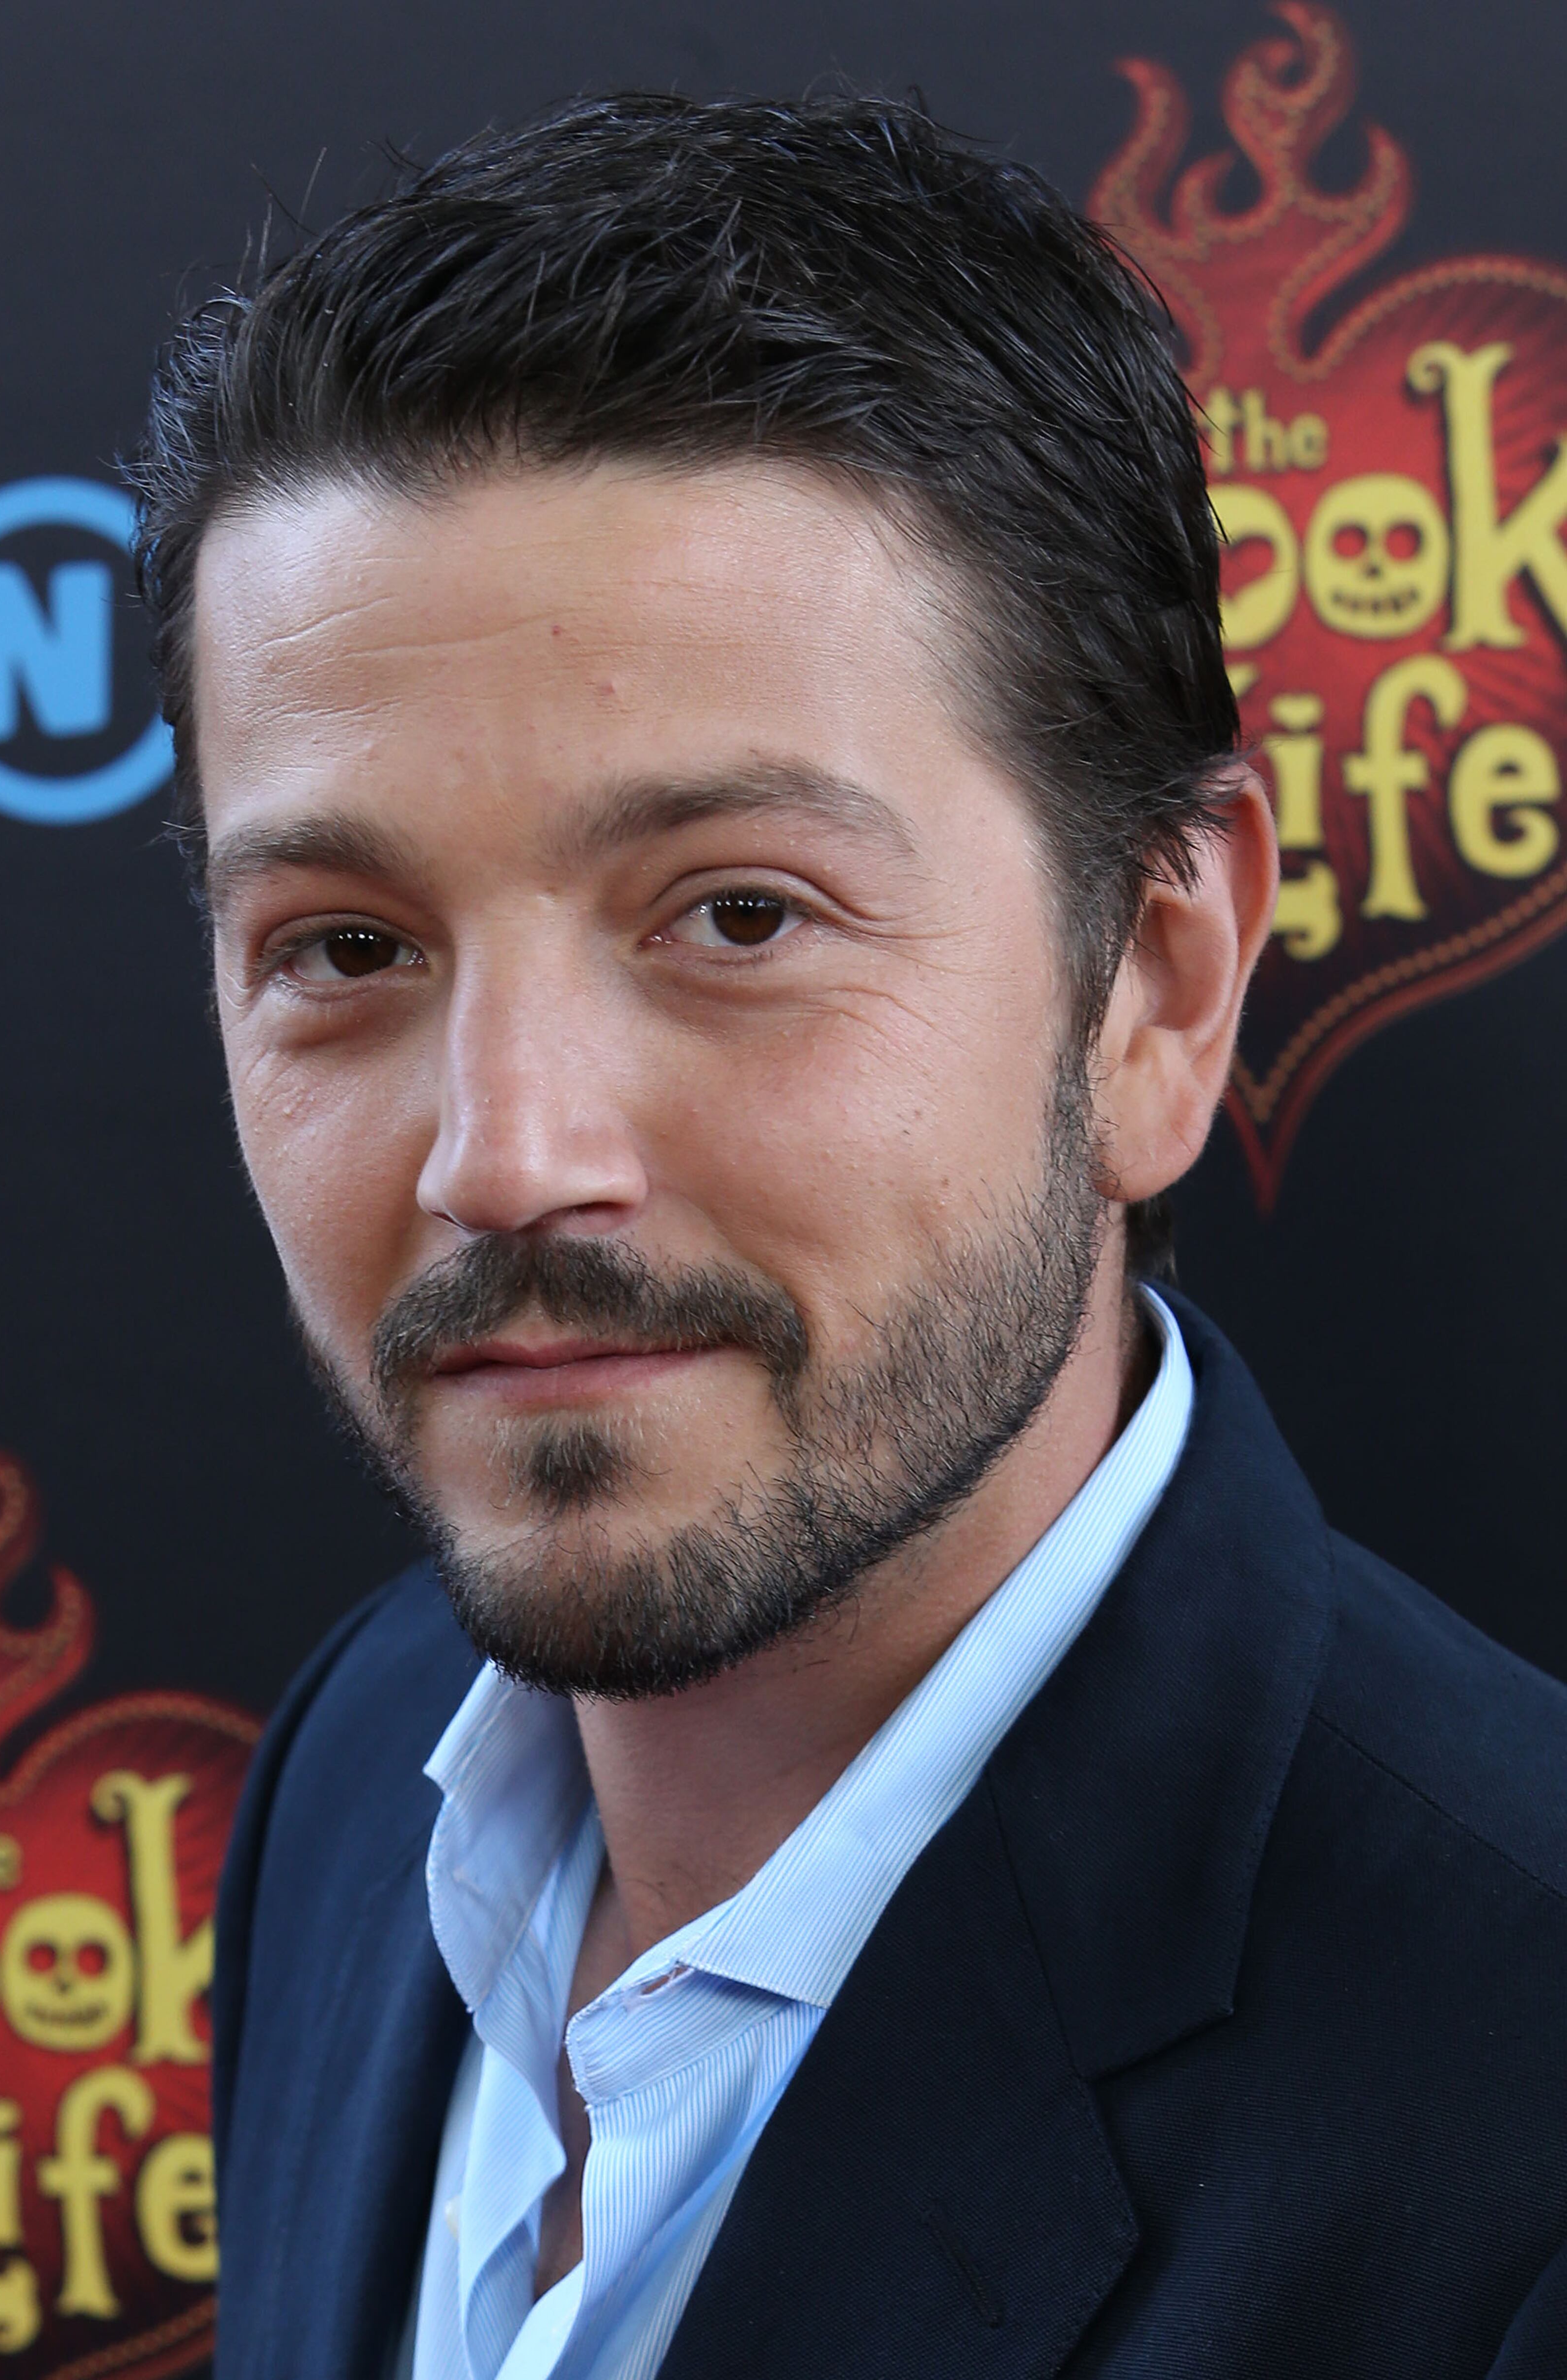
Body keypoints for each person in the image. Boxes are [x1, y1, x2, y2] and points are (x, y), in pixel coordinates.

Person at [129, 93, 1567, 2380]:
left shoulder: (1516, 2126)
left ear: (1157, 984)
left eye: (736, 915)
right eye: (347, 945)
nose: (506, 1156)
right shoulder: (354, 1765)